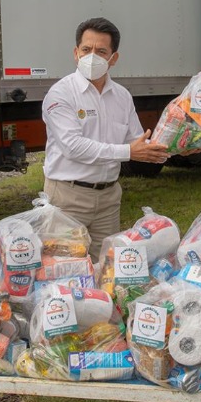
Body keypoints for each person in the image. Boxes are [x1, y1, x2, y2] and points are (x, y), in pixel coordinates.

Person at [42, 17, 169, 241]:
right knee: (66, 267)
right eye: (86, 49)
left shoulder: (122, 96)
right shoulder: (60, 94)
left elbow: (140, 142)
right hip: (68, 197)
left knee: (106, 267)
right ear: (76, 53)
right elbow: (73, 147)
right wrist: (128, 152)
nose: (92, 57)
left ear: (113, 58)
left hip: (108, 198)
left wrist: (180, 146)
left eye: (101, 51)